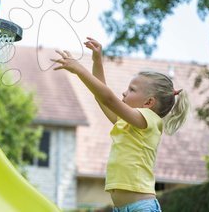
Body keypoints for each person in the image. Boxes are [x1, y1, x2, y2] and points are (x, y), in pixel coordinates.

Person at [51, 37, 190, 212]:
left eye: (132, 90)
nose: (124, 92)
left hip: (141, 207)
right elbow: (101, 98)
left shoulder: (149, 120)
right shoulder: (128, 122)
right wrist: (97, 61)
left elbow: (108, 98)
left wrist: (80, 70)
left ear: (148, 102)